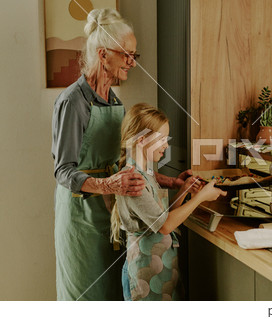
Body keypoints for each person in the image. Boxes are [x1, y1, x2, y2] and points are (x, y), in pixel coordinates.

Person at [52, 8, 190, 301]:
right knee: (87, 296)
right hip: (83, 218)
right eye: (126, 55)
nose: (132, 63)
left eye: (134, 55)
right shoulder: (73, 102)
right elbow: (63, 171)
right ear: (103, 55)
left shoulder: (114, 100)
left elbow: (130, 166)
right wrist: (107, 185)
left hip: (114, 216)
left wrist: (171, 182)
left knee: (116, 294)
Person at [111, 104, 226, 301]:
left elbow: (161, 216)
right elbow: (165, 226)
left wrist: (185, 191)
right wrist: (200, 197)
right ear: (141, 141)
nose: (166, 145)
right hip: (143, 276)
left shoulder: (145, 173)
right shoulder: (133, 181)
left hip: (160, 272)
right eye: (162, 139)